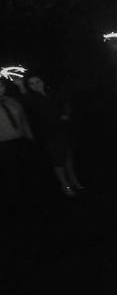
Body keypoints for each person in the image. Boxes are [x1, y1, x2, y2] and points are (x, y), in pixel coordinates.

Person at [21, 73, 83, 197]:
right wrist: (21, 86)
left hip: (64, 131)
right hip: (49, 134)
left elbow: (64, 105)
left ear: (43, 82)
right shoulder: (33, 98)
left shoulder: (52, 93)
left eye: (37, 81)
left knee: (68, 158)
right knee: (57, 161)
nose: (35, 85)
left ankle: (74, 181)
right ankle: (65, 185)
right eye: (31, 84)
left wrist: (66, 114)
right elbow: (27, 101)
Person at [0, 78, 34, 207]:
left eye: (1, 86)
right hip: (3, 146)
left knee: (24, 169)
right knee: (9, 175)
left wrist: (29, 136)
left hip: (21, 141)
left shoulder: (12, 101)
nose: (0, 89)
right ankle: (16, 203)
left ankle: (29, 198)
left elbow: (24, 118)